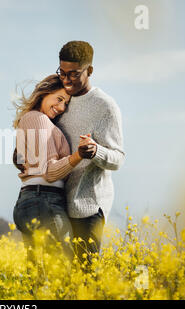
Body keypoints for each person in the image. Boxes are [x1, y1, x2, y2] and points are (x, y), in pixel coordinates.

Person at [54, 40, 125, 266]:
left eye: (73, 74)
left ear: (90, 71)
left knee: (85, 277)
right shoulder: (57, 98)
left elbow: (118, 158)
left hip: (88, 206)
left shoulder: (105, 106)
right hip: (55, 203)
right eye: (62, 73)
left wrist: (96, 151)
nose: (66, 80)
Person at [12, 74, 94, 263]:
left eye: (66, 103)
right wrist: (78, 155)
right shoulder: (37, 118)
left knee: (40, 275)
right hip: (44, 202)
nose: (61, 107)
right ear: (45, 92)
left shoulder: (35, 120)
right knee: (64, 269)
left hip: (34, 201)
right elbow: (49, 172)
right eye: (59, 99)